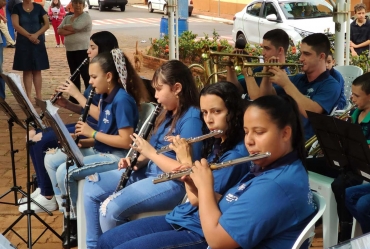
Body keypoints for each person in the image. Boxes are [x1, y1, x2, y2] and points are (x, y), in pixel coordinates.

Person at [96, 94, 316, 249]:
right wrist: (194, 184)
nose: (249, 140)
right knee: (107, 242)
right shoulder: (267, 165)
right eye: (247, 131)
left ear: (285, 133)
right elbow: (231, 201)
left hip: (209, 236)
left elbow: (218, 241)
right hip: (201, 222)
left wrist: (204, 185)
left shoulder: (276, 184)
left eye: (259, 132)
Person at [83, 60, 204, 248]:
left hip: (171, 182)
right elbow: (152, 151)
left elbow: (186, 171)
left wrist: (151, 152)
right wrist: (135, 161)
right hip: (148, 172)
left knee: (110, 208)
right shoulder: (168, 113)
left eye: (159, 89)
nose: (155, 96)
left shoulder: (192, 119)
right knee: (92, 187)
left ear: (177, 88)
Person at [44, 49, 148, 247]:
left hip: (116, 157)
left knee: (65, 172)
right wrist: (81, 142)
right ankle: (70, 214)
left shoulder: (122, 100)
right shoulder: (106, 96)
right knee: (54, 161)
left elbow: (126, 142)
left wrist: (92, 134)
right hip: (103, 149)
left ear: (108, 76)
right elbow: (107, 132)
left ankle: (76, 220)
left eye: (93, 77)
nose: (90, 82)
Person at [18, 31, 120, 215]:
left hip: (94, 129)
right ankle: (43, 188)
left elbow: (104, 116)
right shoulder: (96, 75)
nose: (88, 51)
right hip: (86, 124)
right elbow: (86, 108)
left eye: (93, 47)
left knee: (41, 140)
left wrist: (76, 93)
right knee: (33, 135)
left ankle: (48, 196)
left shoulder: (108, 81)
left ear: (104, 50)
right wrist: (66, 104)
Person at [261, 33, 341, 141]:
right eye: (301, 53)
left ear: (321, 56)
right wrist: (267, 72)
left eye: (307, 54)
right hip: (284, 137)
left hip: (304, 143)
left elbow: (312, 112)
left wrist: (287, 84)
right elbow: (265, 97)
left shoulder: (331, 84)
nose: (301, 58)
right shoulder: (298, 78)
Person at [332, 72, 370, 242]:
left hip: (363, 166)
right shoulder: (355, 114)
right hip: (354, 163)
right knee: (348, 192)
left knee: (360, 201)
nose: (351, 98)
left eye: (356, 95)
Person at [226, 29, 290, 100]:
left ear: (280, 50)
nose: (263, 53)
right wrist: (229, 65)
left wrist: (247, 72)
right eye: (263, 48)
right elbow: (234, 89)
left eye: (267, 49)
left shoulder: (285, 77)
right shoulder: (260, 69)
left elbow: (259, 100)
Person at [11, 0, 50, 101]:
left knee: (37, 69)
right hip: (24, 42)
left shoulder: (38, 7)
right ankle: (28, 96)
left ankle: (39, 96)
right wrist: (29, 36)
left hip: (37, 41)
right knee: (27, 69)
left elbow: (46, 24)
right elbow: (16, 25)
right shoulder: (17, 7)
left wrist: (36, 35)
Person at [58, 0, 91, 103]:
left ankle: (89, 96)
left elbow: (76, 26)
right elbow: (59, 30)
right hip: (70, 50)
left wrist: (68, 28)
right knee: (74, 74)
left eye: (80, 3)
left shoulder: (85, 17)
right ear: (72, 5)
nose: (77, 5)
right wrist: (71, 29)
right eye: (75, 3)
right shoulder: (68, 17)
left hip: (83, 49)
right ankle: (75, 97)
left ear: (83, 5)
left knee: (86, 74)